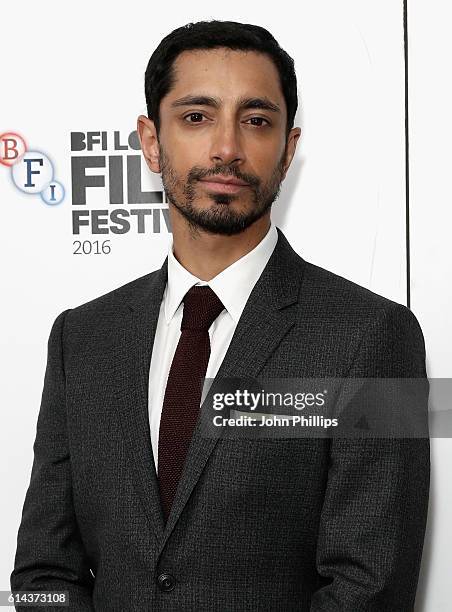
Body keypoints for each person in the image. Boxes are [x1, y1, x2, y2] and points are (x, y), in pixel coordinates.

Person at [11, 20, 430, 611]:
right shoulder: (82, 338)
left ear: (288, 149)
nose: (227, 148)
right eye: (196, 117)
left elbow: (372, 587)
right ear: (151, 142)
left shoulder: (374, 335)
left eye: (256, 121)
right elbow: (42, 578)